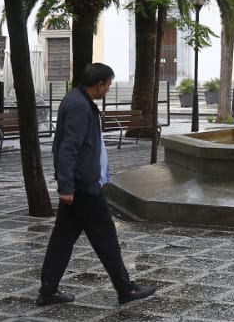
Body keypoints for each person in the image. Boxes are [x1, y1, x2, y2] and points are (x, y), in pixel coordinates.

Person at [37, 62, 157, 307]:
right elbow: (69, 148)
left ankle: (48, 290)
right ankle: (126, 289)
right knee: (106, 237)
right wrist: (67, 186)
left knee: (62, 239)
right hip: (84, 187)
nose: (108, 90)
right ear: (99, 84)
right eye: (108, 85)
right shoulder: (80, 105)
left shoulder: (75, 100)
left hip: (80, 185)